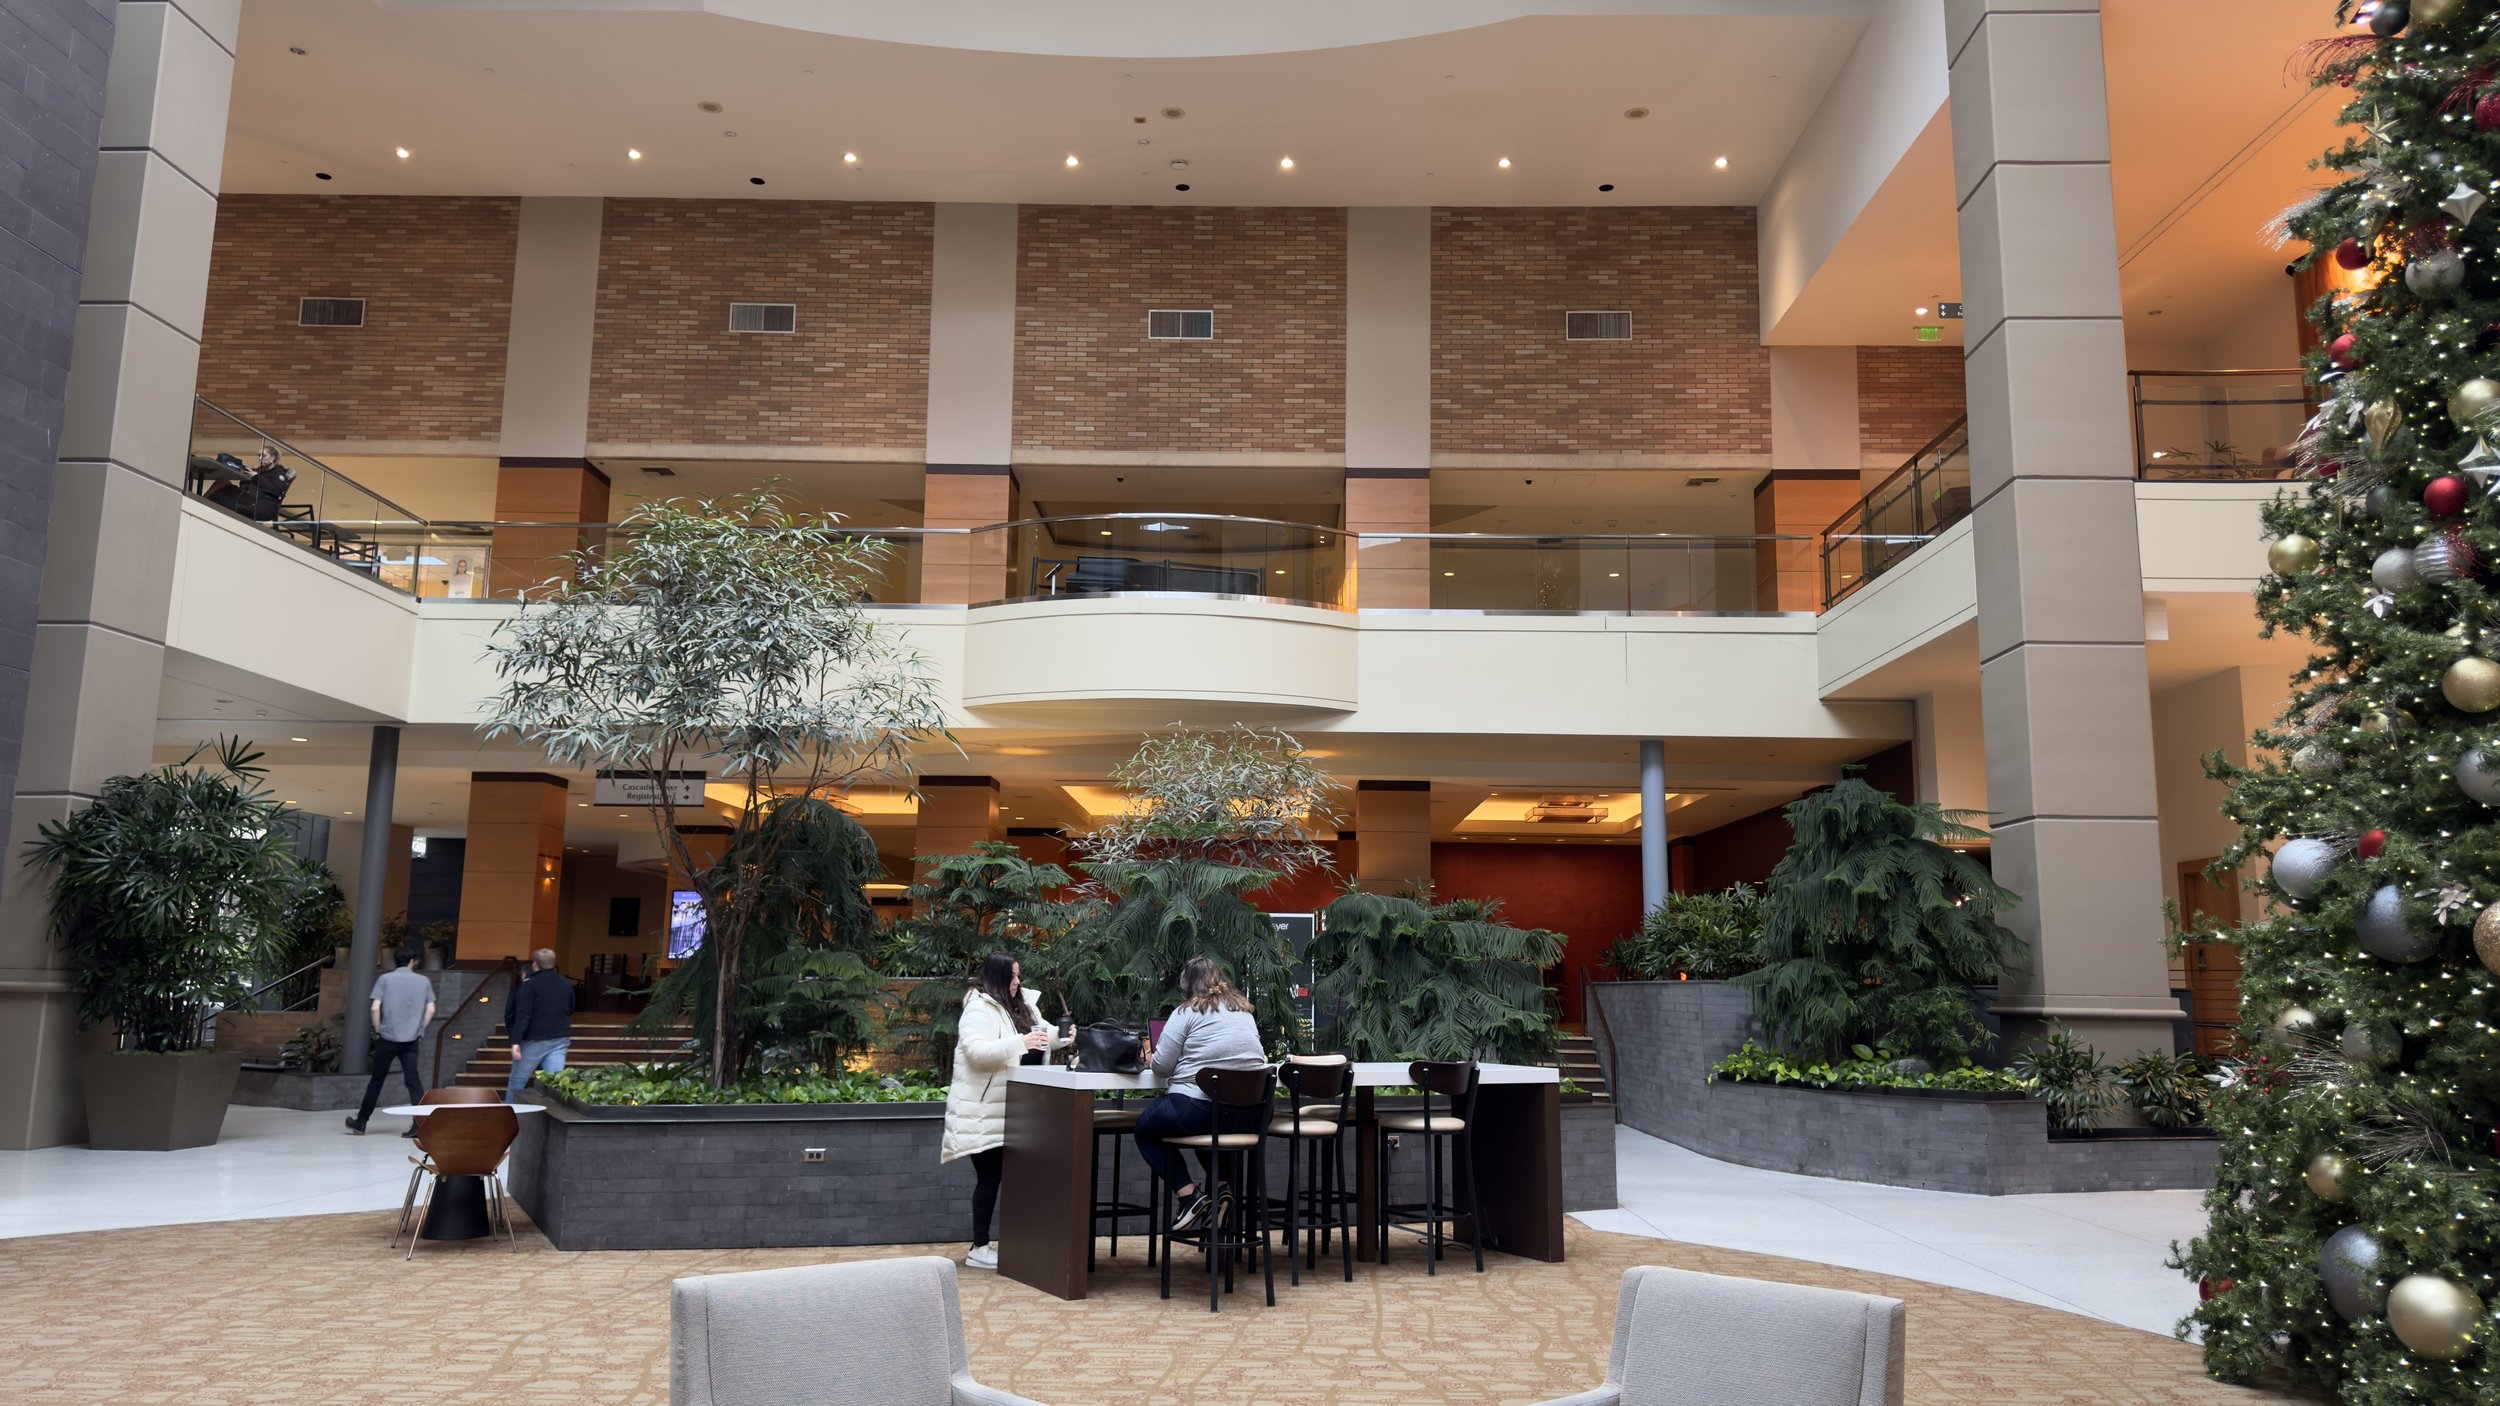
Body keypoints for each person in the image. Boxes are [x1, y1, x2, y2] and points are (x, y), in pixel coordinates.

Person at [938, 952, 1068, 1270]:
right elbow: (977, 1052)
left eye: (1018, 975)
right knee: (990, 1177)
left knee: (1015, 1177)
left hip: (1019, 1108)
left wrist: (1061, 1036)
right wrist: (1021, 1042)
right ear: (997, 977)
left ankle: (1015, 1243)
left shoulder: (1022, 1005)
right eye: (1012, 976)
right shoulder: (979, 1008)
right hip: (984, 1110)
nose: (1017, 981)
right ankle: (979, 1247)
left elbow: (1042, 1034)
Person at [1134, 955, 1269, 1236]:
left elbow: (1162, 1067)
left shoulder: (1186, 1012)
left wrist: (1149, 1056)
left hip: (1199, 1110)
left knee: (1146, 1129)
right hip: (1251, 1116)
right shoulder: (1244, 1012)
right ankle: (1221, 1189)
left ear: (1187, 986)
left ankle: (1189, 1196)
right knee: (1211, 1128)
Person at [345, 946, 436, 1137]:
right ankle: (419, 1125)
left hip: (388, 1038)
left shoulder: (385, 979)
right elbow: (431, 1009)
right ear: (412, 961)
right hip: (411, 1040)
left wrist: (378, 1029)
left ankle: (361, 1123)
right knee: (413, 1082)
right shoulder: (424, 981)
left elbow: (374, 1008)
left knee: (376, 1081)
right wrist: (420, 1028)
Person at [503, 947, 576, 1100]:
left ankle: (511, 1110)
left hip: (534, 1039)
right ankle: (551, 1112)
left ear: (535, 964)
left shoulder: (529, 985)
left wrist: (515, 1041)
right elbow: (571, 1008)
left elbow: (523, 1015)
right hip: (560, 1037)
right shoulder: (565, 983)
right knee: (554, 1083)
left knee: (518, 1080)